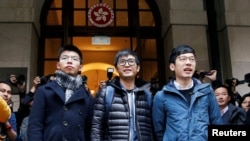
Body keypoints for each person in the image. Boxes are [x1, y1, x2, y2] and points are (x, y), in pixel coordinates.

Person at [152, 44, 222, 141]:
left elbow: (217, 122)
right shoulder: (161, 96)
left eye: (192, 59)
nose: (188, 63)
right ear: (172, 66)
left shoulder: (206, 92)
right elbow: (158, 130)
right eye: (183, 59)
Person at [28, 44, 94, 141]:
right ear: (58, 65)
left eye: (75, 59)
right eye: (65, 58)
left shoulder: (87, 97)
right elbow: (35, 125)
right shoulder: (44, 90)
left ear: (80, 67)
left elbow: (90, 129)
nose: (69, 61)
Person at [91, 49, 153, 141]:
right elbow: (97, 126)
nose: (127, 65)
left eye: (131, 62)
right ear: (116, 68)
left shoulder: (148, 93)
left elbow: (155, 126)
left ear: (138, 68)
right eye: (122, 62)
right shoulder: (105, 93)